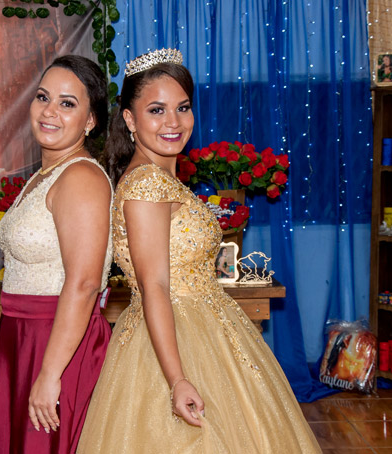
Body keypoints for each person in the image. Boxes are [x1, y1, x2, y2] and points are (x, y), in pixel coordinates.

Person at [77, 49, 321, 453]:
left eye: (183, 107)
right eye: (157, 110)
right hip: (179, 333)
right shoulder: (147, 186)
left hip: (201, 323)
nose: (173, 122)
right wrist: (177, 380)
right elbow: (155, 284)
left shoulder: (157, 178)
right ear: (130, 119)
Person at [0, 55, 113, 454]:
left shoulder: (82, 178)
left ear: (90, 121)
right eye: (43, 97)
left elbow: (86, 281)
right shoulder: (45, 174)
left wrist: (50, 373)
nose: (50, 111)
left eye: (67, 103)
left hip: (56, 343)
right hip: (21, 337)